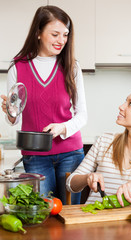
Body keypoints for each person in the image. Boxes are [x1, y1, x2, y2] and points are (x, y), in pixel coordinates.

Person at [1, 5, 87, 205]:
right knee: (42, 213)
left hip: (71, 153)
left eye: (65, 35)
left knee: (69, 212)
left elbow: (82, 115)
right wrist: (10, 113)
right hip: (36, 155)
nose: (61, 41)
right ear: (38, 32)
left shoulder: (72, 67)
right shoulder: (17, 67)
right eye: (55, 34)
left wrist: (63, 127)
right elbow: (16, 118)